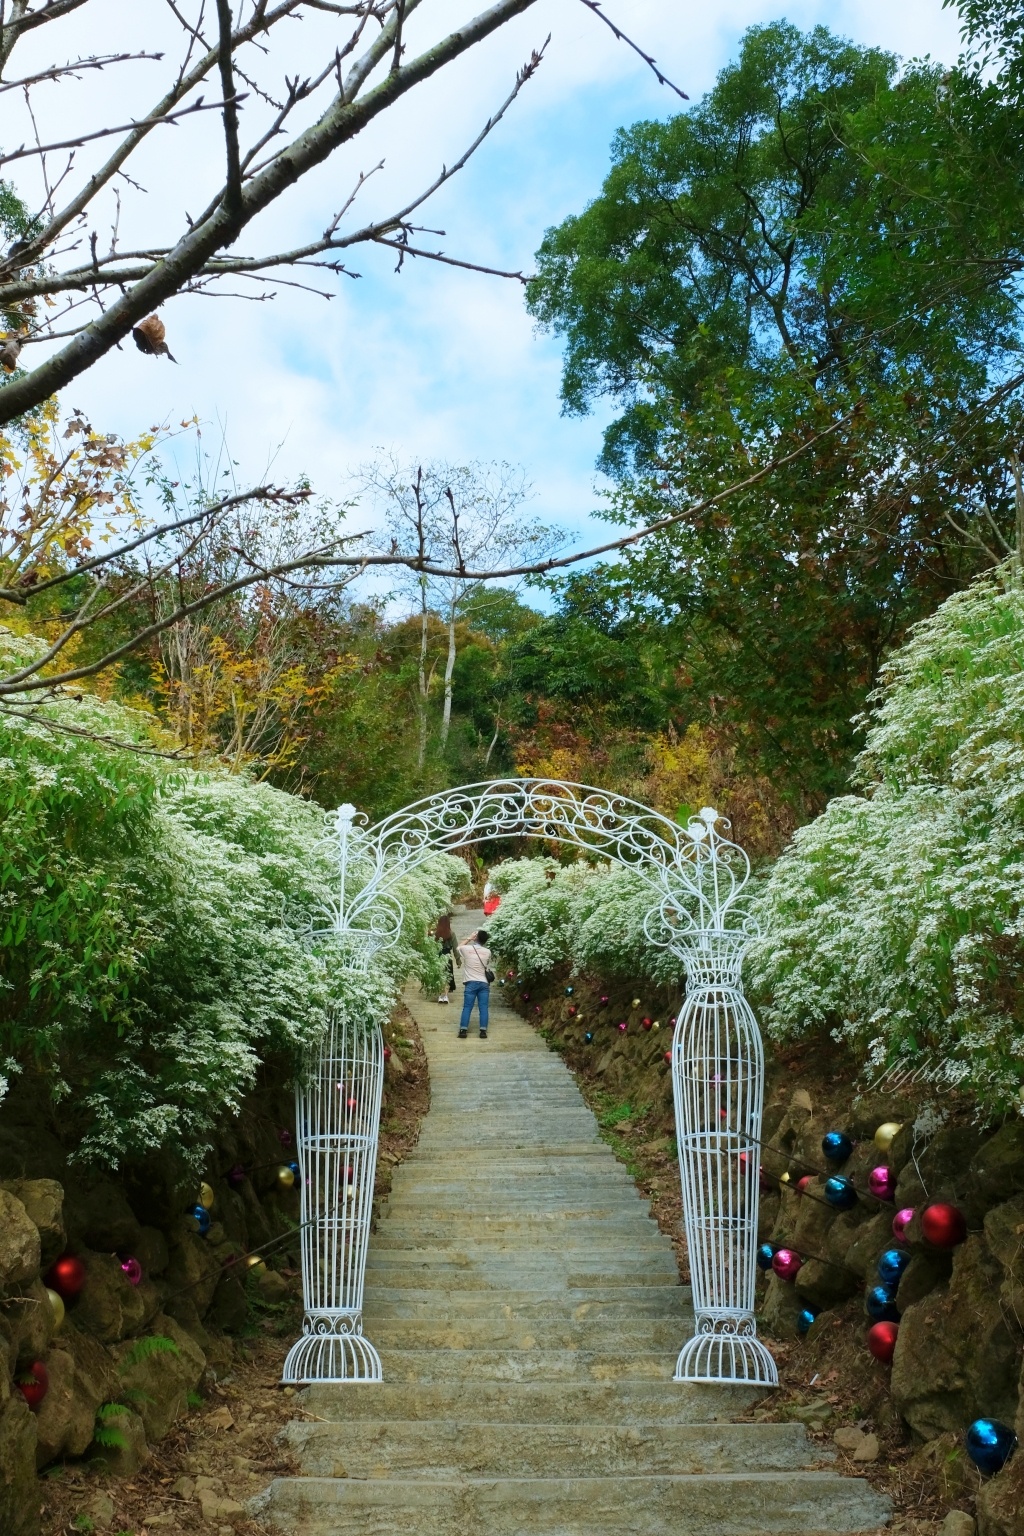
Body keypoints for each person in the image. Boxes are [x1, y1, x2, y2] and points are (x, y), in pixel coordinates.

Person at [457, 928, 492, 1039]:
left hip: (470, 982)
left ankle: (463, 1030)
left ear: (476, 938)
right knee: (483, 1007)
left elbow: (458, 948)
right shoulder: (487, 952)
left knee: (467, 1007)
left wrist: (469, 938)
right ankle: (483, 1031)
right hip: (484, 983)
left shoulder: (467, 949)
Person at [433, 913, 455, 1003]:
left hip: (437, 955)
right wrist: (458, 960)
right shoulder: (451, 933)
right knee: (447, 975)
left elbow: (431, 946)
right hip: (447, 955)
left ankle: (440, 996)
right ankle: (445, 996)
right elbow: (456, 948)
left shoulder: (435, 934)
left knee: (439, 975)